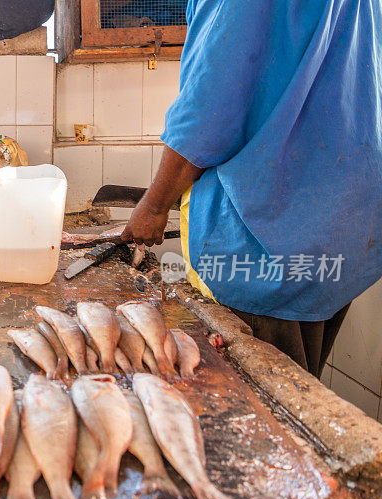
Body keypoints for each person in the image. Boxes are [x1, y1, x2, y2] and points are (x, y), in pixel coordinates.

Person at [121, 0, 382, 377]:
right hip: (343, 226)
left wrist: (155, 206)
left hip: (269, 241)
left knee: (259, 413)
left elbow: (207, 112)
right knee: (297, 389)